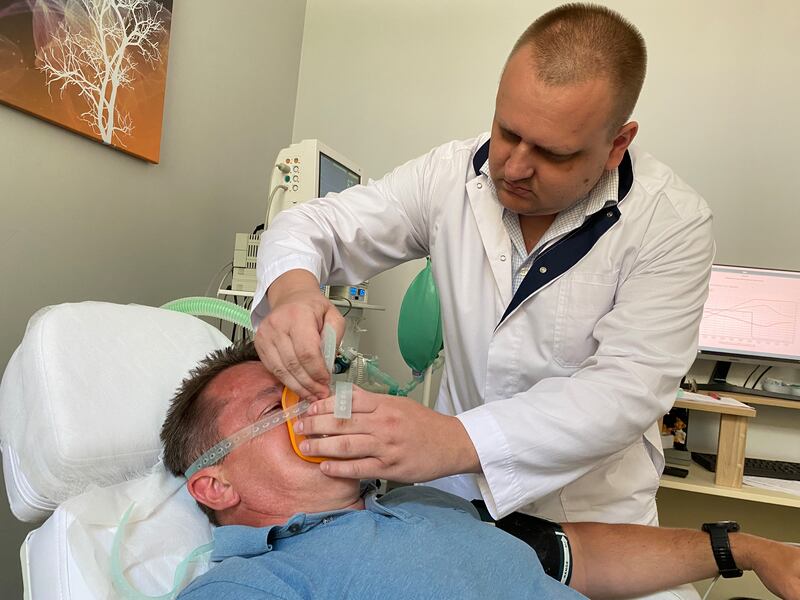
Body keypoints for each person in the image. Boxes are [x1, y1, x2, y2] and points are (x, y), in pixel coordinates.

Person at [254, 1, 711, 548]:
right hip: (451, 502)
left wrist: (455, 437)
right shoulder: (450, 174)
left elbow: (625, 390)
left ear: (617, 144)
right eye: (506, 131)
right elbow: (315, 224)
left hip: (592, 515)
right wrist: (294, 290)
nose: (514, 167)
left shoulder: (671, 222)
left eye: (552, 153)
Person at [160, 343, 800, 600]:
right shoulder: (262, 580)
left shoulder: (425, 504)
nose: (320, 409)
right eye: (280, 405)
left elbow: (575, 553)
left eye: (315, 392)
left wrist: (745, 547)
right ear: (214, 484)